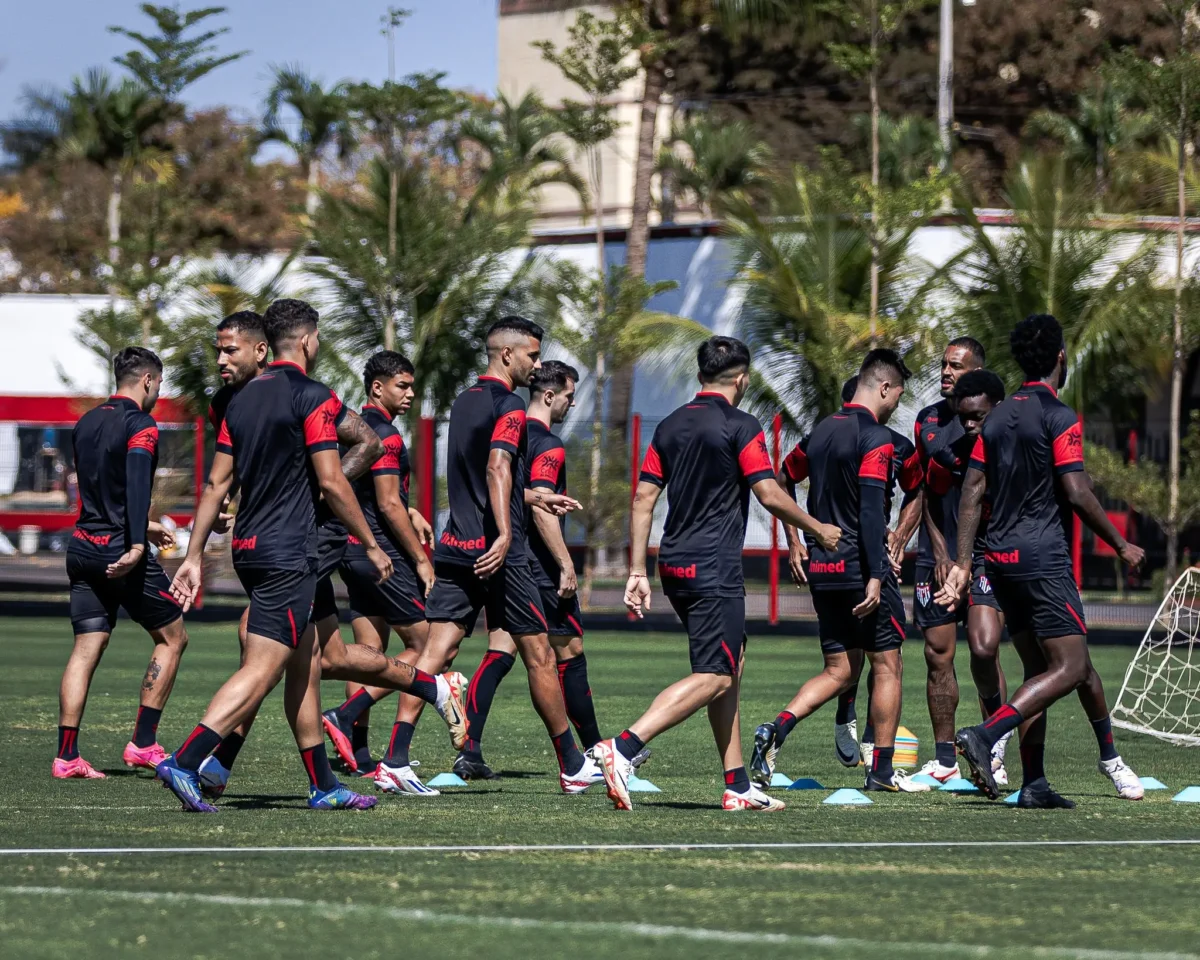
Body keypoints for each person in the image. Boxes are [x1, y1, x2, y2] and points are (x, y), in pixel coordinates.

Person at [159, 299, 444, 811]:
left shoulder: (239, 401)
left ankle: (323, 785)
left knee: (306, 661)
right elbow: (334, 483)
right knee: (265, 667)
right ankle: (187, 759)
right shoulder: (312, 395)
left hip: (247, 547)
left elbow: (214, 485)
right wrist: (375, 545)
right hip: (290, 552)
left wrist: (194, 555)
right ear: (310, 341)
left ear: (268, 345)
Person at [591, 336, 842, 812]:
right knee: (715, 673)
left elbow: (643, 499)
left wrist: (636, 571)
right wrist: (816, 528)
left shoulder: (669, 425)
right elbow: (768, 493)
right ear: (741, 378)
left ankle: (738, 784)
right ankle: (621, 748)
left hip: (674, 564)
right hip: (713, 568)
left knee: (731, 666)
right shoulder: (740, 424)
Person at [937, 314, 1146, 807]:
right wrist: (1121, 544)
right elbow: (1076, 490)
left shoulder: (1000, 414)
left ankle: (1034, 784)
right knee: (1072, 668)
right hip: (1042, 559)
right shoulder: (1059, 415)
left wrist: (966, 561)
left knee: (1037, 670)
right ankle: (989, 734)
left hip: (1001, 560)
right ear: (1060, 356)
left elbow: (971, 490)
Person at [394, 317, 602, 794]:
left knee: (436, 652)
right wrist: (507, 534)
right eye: (532, 355)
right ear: (507, 355)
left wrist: (532, 497)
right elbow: (496, 466)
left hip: (456, 546)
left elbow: (481, 478)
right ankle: (573, 764)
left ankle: (396, 758)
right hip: (499, 554)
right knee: (539, 656)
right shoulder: (509, 404)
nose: (537, 364)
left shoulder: (464, 402)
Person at [750, 349, 929, 793]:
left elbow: (782, 479)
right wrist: (875, 574)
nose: (895, 406)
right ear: (884, 387)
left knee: (840, 670)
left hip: (824, 567)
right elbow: (871, 512)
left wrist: (796, 540)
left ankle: (777, 729)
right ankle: (882, 771)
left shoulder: (820, 433)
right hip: (859, 566)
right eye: (897, 396)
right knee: (887, 664)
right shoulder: (878, 438)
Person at [452, 360, 629, 780]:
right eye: (569, 396)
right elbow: (546, 508)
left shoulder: (506, 431)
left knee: (501, 650)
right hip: (536, 565)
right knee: (568, 652)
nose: (570, 404)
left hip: (504, 559)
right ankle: (594, 753)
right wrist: (566, 563)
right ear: (550, 396)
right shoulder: (547, 441)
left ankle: (469, 747)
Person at [318, 350, 460, 796]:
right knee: (427, 646)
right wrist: (420, 558)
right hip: (381, 555)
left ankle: (357, 752)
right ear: (377, 387)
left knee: (369, 648)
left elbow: (366, 494)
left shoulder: (352, 430)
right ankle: (349, 719)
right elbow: (387, 503)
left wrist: (411, 509)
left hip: (349, 551)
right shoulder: (388, 437)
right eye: (402, 385)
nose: (410, 394)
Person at [54, 347, 187, 778]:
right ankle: (144, 744)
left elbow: (98, 491)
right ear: (148, 380)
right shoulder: (141, 425)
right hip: (118, 550)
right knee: (173, 638)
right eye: (160, 383)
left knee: (85, 647)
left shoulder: (87, 421)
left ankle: (67, 756)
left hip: (83, 547)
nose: (158, 391)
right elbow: (132, 486)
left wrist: (142, 528)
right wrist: (135, 542)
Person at [910, 344, 1015, 785]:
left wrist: (969, 561)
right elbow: (925, 493)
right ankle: (944, 760)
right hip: (937, 555)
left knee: (983, 648)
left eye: (956, 365)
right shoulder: (928, 423)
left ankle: (994, 749)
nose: (945, 372)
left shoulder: (1003, 427)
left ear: (977, 373)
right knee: (937, 654)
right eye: (943, 364)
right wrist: (940, 554)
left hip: (988, 554)